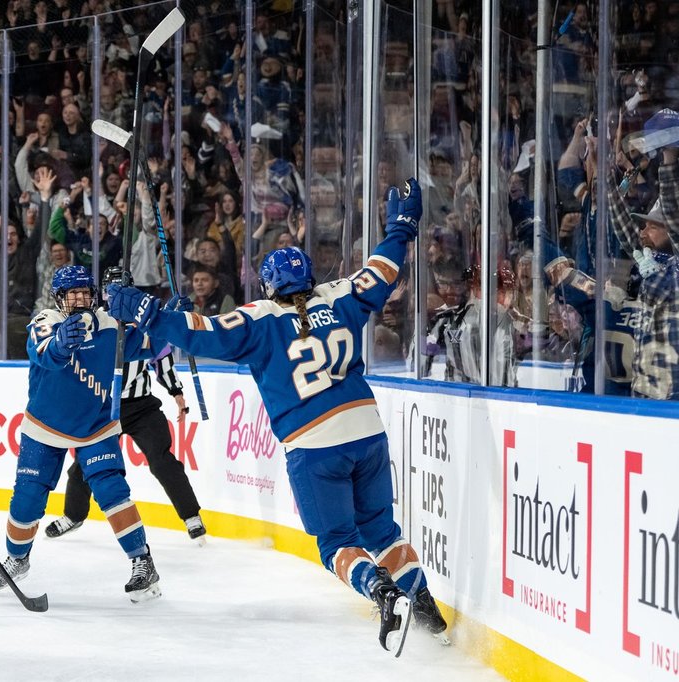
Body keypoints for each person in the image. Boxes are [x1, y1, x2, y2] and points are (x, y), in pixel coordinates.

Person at [106, 179, 447, 653]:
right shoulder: (341, 295)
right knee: (382, 530)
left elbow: (201, 332)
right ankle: (426, 606)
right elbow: (382, 269)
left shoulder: (259, 317)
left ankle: (380, 590)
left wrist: (147, 311)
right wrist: (401, 228)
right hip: (368, 431)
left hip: (313, 445)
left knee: (335, 543)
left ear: (270, 285)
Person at [0, 265, 163, 603]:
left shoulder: (112, 326)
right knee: (26, 500)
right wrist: (61, 346)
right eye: (72, 294)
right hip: (44, 427)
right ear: (60, 298)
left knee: (112, 491)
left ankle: (142, 561)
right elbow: (45, 355)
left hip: (96, 426)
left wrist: (168, 320)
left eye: (85, 292)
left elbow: (154, 346)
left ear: (94, 296)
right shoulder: (45, 322)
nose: (79, 298)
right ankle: (17, 559)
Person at [44, 267, 206, 544]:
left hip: (142, 407)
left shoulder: (144, 320)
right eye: (110, 289)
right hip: (106, 406)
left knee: (162, 459)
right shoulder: (99, 321)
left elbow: (160, 355)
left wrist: (175, 390)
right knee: (85, 464)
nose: (115, 293)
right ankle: (73, 515)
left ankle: (191, 516)